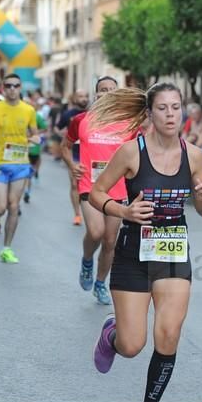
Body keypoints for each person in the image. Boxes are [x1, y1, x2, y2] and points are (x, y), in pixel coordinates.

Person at [89, 83, 202, 402]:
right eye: (162, 108)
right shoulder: (132, 153)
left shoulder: (194, 156)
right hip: (133, 252)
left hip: (174, 254)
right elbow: (97, 192)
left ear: (183, 112)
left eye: (175, 108)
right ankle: (111, 335)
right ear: (150, 114)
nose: (170, 115)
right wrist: (124, 210)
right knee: (132, 345)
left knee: (169, 333)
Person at [62, 76, 133, 305]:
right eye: (103, 90)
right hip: (89, 185)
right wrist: (73, 166)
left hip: (117, 188)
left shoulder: (128, 123)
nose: (107, 93)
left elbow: (139, 152)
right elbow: (65, 146)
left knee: (111, 240)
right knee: (96, 232)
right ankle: (86, 261)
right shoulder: (81, 120)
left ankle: (101, 283)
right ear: (96, 94)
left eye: (112, 90)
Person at [0, 74, 39, 263]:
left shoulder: (29, 110)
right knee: (0, 206)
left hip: (20, 162)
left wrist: (35, 140)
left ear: (21, 88)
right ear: (3, 88)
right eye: (8, 86)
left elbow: (35, 134)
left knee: (14, 206)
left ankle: (7, 248)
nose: (12, 89)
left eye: (16, 85)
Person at [59, 90, 90, 225]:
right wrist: (66, 136)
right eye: (80, 96)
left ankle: (89, 211)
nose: (83, 99)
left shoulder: (93, 114)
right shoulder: (68, 115)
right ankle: (77, 214)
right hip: (74, 154)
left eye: (85, 97)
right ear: (74, 98)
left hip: (89, 155)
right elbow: (57, 128)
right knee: (74, 184)